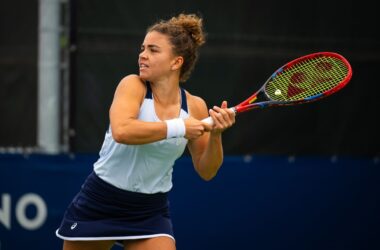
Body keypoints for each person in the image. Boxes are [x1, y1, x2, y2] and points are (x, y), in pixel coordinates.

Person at [56, 13, 235, 250]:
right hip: (101, 201)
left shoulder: (195, 106)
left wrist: (216, 135)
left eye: (153, 50)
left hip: (149, 210)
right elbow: (123, 131)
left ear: (176, 62)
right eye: (142, 48)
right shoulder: (132, 85)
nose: (142, 55)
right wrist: (180, 127)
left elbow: (207, 170)